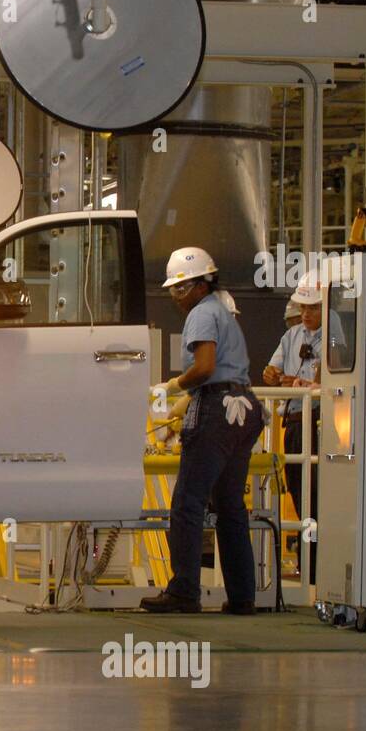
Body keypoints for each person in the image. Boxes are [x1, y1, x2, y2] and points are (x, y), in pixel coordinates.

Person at [142, 248, 265, 615]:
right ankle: (243, 596)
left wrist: (172, 386)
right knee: (230, 507)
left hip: (215, 411)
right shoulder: (223, 313)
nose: (175, 297)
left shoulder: (201, 314)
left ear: (197, 286)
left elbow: (206, 368)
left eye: (179, 290)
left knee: (187, 503)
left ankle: (183, 590)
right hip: (243, 410)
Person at [263, 272, 324, 580]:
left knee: (318, 495)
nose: (306, 313)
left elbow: (330, 381)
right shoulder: (292, 337)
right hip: (294, 424)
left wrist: (301, 383)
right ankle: (308, 563)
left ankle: (317, 566)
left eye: (313, 307)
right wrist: (272, 376)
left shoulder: (337, 338)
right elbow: (270, 371)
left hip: (320, 424)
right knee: (299, 493)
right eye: (303, 307)